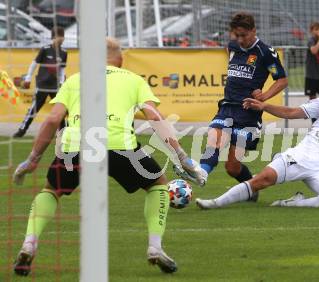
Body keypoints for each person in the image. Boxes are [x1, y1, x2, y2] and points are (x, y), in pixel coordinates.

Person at [12, 38, 204, 276]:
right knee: (158, 185)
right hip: (119, 146)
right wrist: (182, 157)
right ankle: (155, 247)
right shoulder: (133, 79)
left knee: (51, 190)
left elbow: (52, 120)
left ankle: (29, 242)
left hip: (76, 147)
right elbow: (155, 117)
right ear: (120, 58)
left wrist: (32, 159)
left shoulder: (75, 80)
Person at [196, 73, 319, 210]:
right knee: (261, 180)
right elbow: (293, 112)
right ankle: (214, 203)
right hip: (301, 155)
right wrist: (265, 106)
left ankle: (293, 203)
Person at [175, 12, 288, 200]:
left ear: (254, 30)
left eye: (244, 35)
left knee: (232, 167)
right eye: (237, 35)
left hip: (248, 114)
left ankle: (252, 189)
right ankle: (201, 173)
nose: (241, 39)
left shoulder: (265, 53)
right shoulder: (233, 46)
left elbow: (282, 80)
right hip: (227, 107)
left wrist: (264, 97)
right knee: (215, 139)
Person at [13, 27, 68, 138]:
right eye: (59, 36)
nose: (61, 39)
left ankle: (63, 134)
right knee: (33, 110)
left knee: (60, 110)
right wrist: (28, 78)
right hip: (42, 85)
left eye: (62, 36)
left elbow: (62, 69)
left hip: (55, 86)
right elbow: (34, 64)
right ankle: (22, 130)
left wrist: (62, 82)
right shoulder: (45, 49)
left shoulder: (64, 52)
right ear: (53, 37)